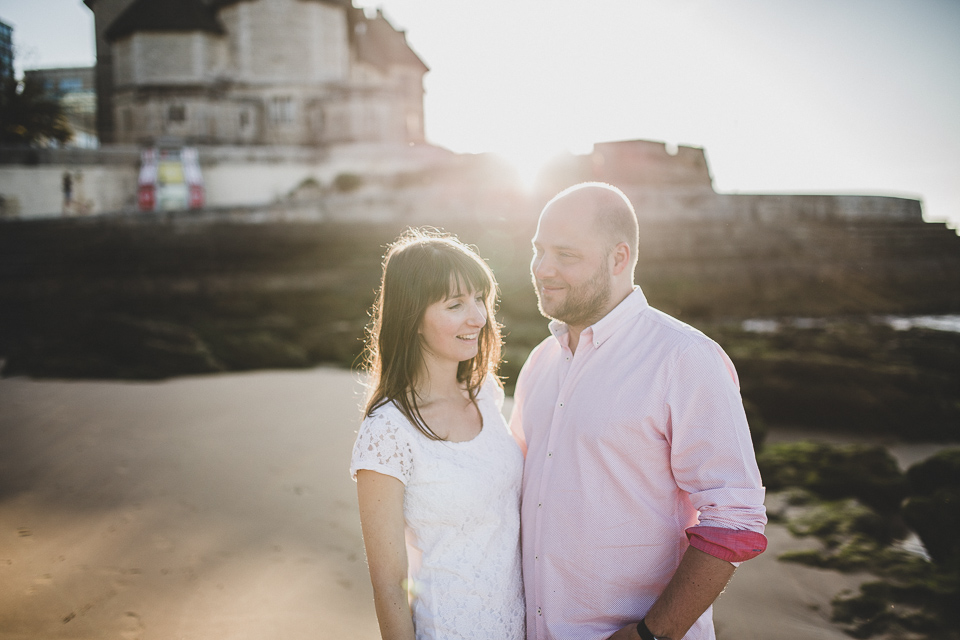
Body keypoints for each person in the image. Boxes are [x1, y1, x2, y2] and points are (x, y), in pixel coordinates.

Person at [510, 183, 767, 640]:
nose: (542, 269)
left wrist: (652, 635)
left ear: (618, 258)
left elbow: (736, 518)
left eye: (565, 255)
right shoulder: (540, 361)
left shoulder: (684, 358)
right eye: (538, 250)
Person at [350, 228, 525, 640]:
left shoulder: (486, 394)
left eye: (480, 298)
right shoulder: (387, 433)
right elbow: (390, 584)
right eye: (455, 304)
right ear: (413, 319)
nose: (478, 317)